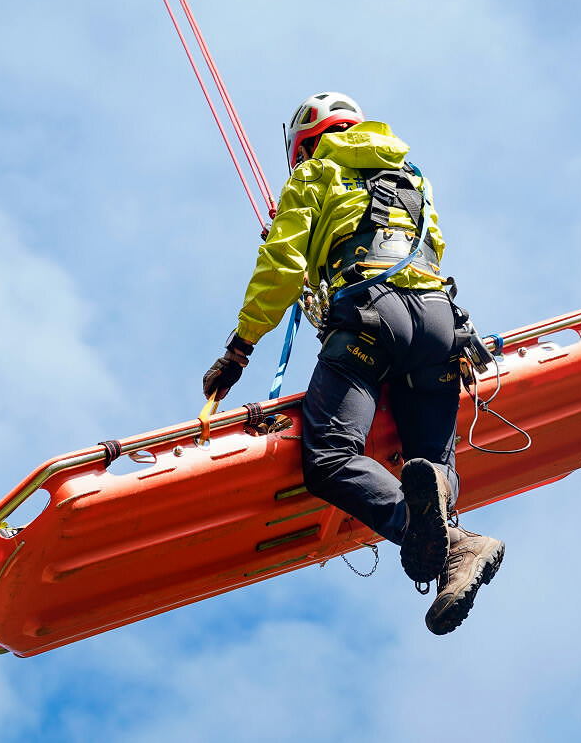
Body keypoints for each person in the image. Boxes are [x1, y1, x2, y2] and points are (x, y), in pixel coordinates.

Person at [202, 92, 504, 635]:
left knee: (330, 458)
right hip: (440, 323)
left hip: (371, 320)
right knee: (433, 463)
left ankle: (439, 536)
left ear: (305, 146)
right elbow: (432, 245)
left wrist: (239, 347)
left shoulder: (314, 173)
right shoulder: (411, 176)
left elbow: (281, 266)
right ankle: (456, 551)